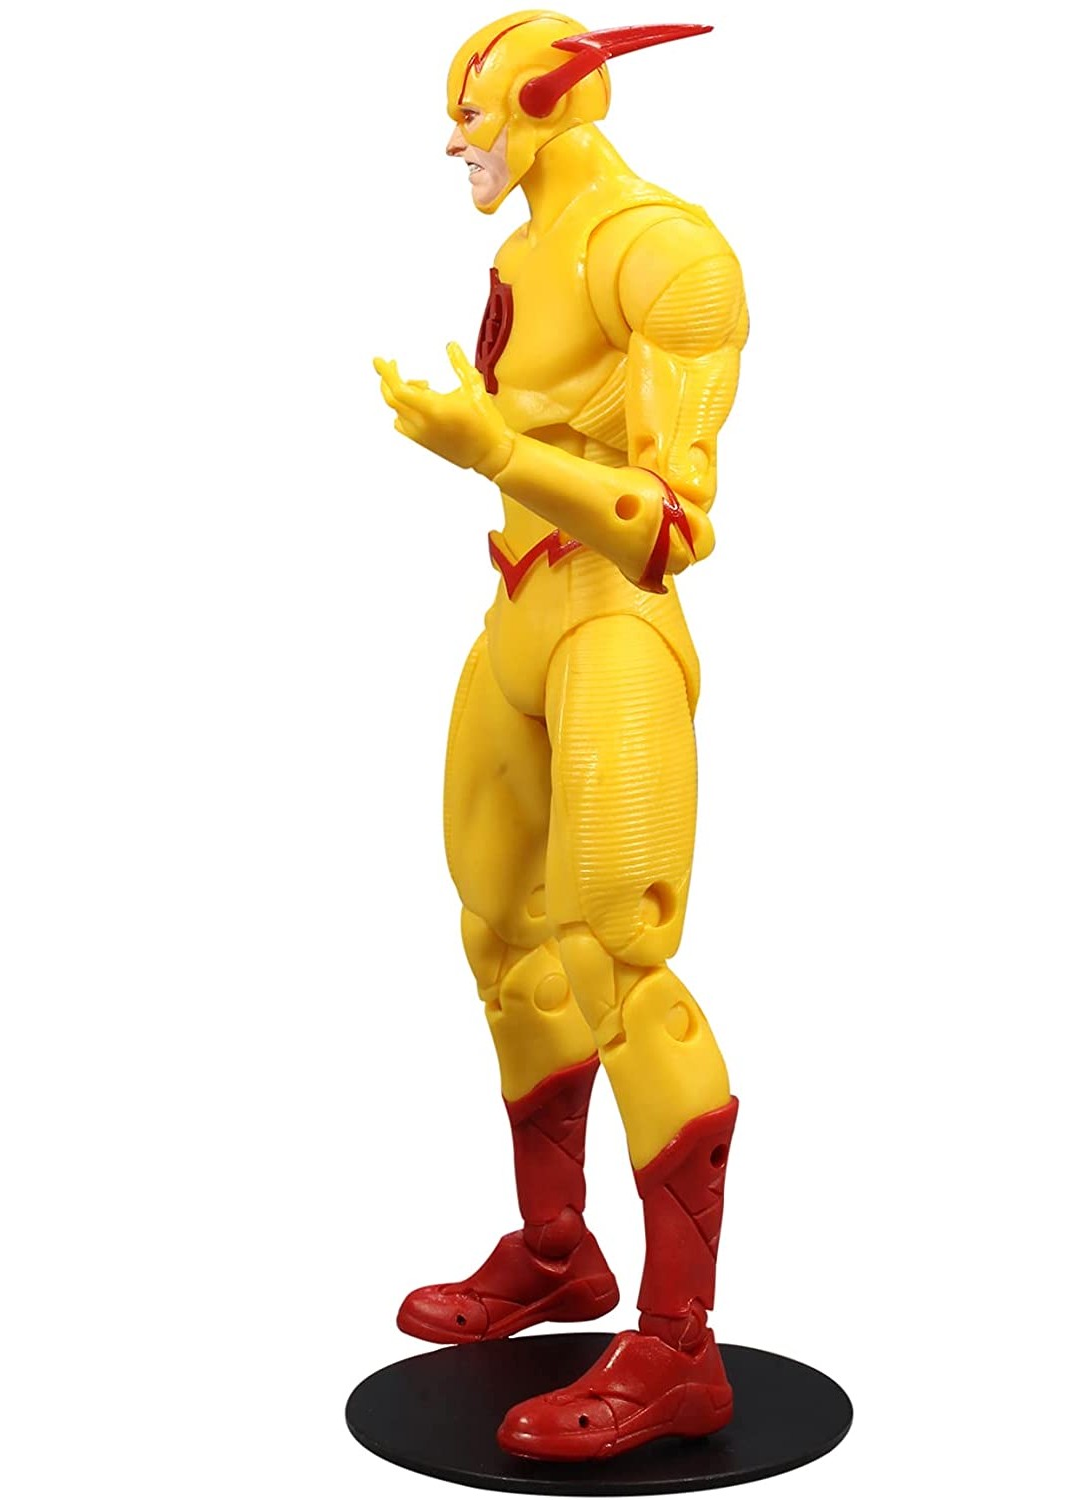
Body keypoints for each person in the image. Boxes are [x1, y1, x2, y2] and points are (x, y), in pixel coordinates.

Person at [373, 11, 749, 1461]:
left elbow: (674, 525)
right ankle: (556, 1253)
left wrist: (495, 447)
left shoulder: (664, 253)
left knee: (617, 960)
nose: (454, 142)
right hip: (519, 606)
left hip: (611, 626)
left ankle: (681, 1351)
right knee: (502, 934)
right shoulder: (530, 246)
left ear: (549, 102)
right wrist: (491, 449)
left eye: (476, 114)